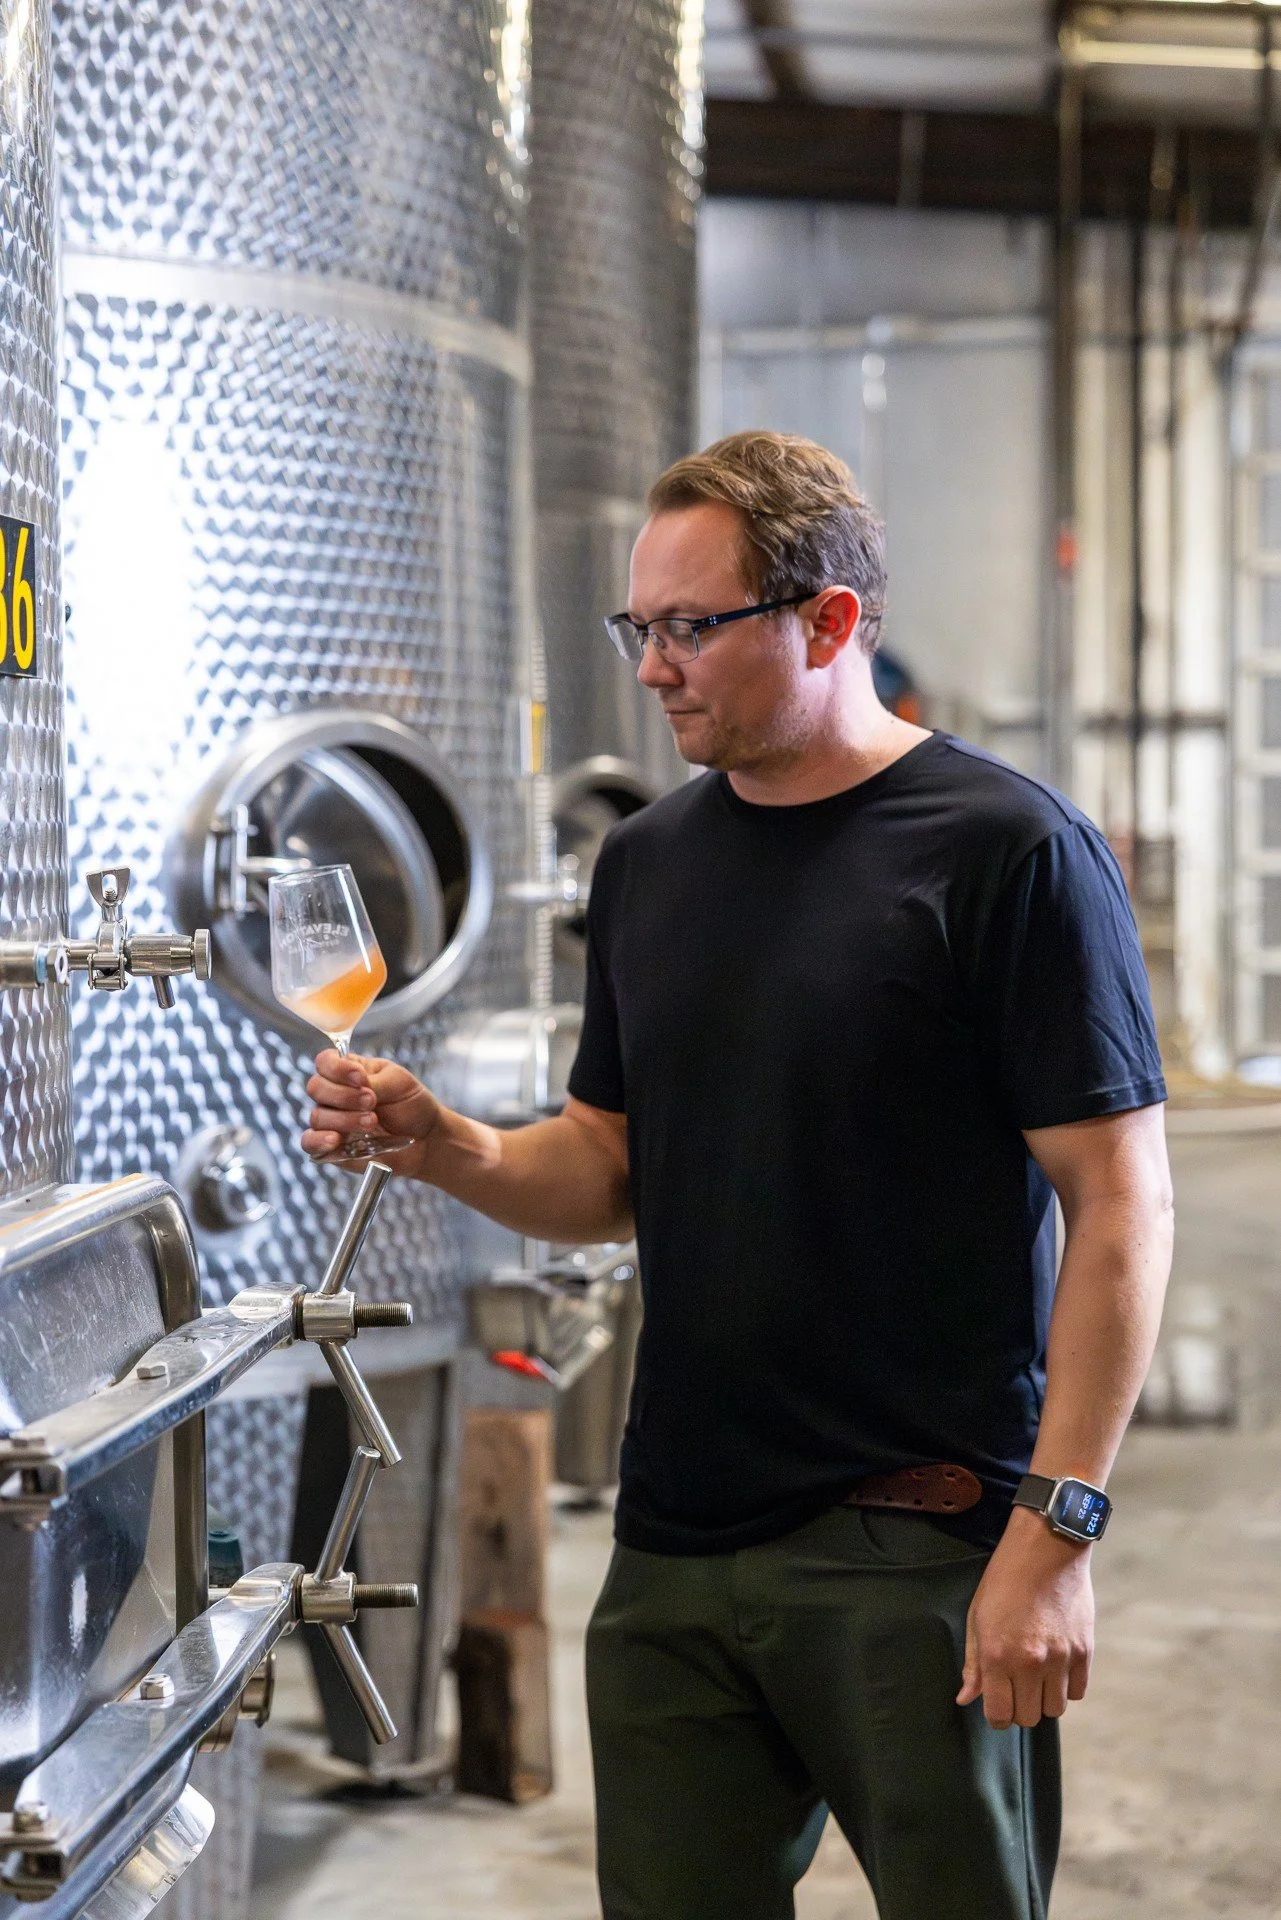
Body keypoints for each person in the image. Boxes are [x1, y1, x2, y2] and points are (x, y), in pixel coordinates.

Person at [303, 431, 1174, 1920]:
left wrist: (1056, 1534)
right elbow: (608, 1164)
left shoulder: (1006, 852)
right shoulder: (648, 865)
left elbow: (1120, 1201)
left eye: (690, 628)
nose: (652, 668)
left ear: (828, 622)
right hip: (677, 1550)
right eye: (637, 627)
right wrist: (451, 1148)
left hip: (920, 1545)